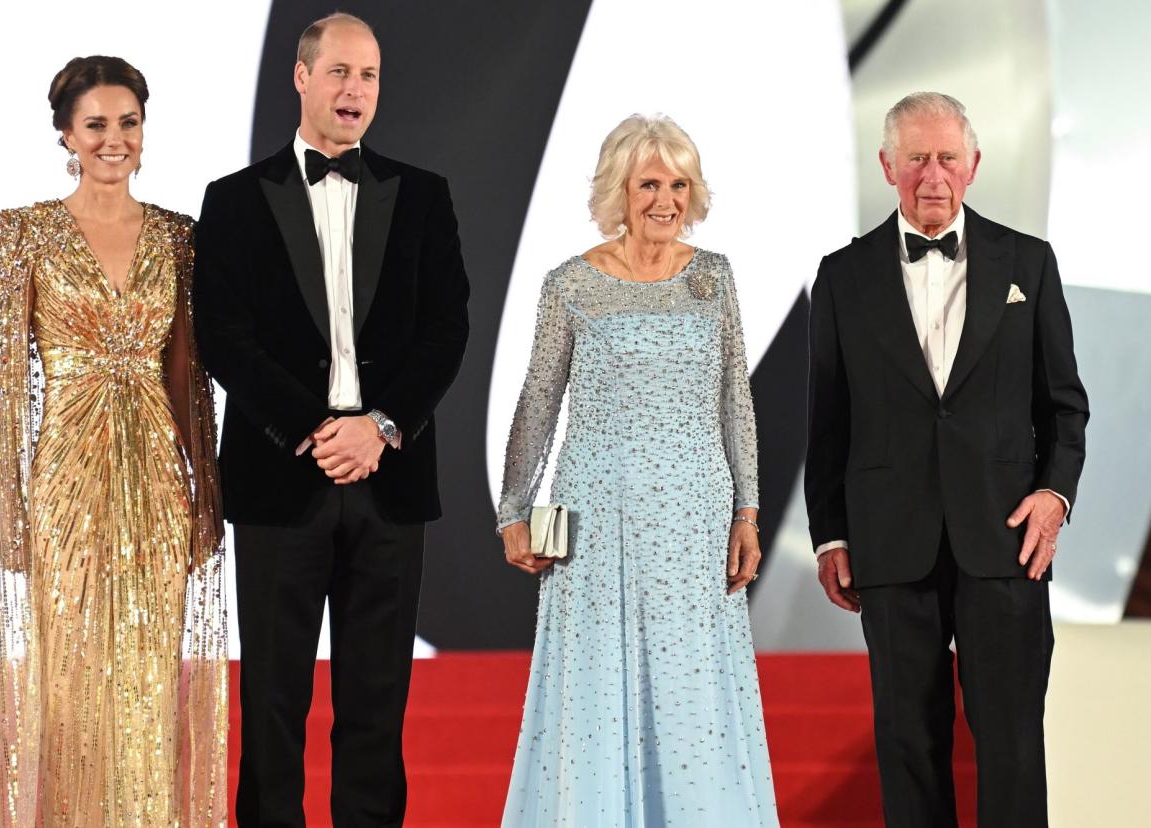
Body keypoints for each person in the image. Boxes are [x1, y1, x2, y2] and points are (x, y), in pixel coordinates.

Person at [192, 12, 469, 828]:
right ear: (302, 77)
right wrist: (319, 431)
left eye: (371, 76)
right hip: (285, 476)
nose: (357, 90)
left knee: (377, 704)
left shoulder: (424, 195)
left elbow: (445, 329)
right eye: (341, 72)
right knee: (273, 701)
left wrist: (378, 427)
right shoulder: (234, 202)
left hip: (389, 477)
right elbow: (224, 339)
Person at [805, 92, 1088, 827]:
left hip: (1006, 541)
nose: (933, 175)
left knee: (1014, 744)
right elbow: (828, 419)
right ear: (887, 165)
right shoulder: (841, 275)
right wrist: (831, 533)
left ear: (974, 165)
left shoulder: (1029, 260)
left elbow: (1064, 404)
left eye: (947, 158)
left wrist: (1055, 498)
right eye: (917, 159)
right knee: (908, 744)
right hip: (890, 541)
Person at [0, 56, 228, 827]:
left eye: (129, 123)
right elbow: (7, 382)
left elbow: (188, 378)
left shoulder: (180, 237)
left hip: (154, 479)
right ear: (66, 135)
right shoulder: (25, 232)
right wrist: (5, 498)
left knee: (148, 681)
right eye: (97, 126)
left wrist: (204, 493)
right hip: (65, 482)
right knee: (72, 685)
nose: (116, 141)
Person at [497, 114, 778, 827]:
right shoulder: (571, 284)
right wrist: (513, 510)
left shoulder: (713, 278)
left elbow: (733, 398)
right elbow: (538, 400)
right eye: (649, 182)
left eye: (678, 183)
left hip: (696, 518)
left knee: (692, 696)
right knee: (596, 693)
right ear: (618, 188)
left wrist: (747, 512)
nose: (665, 198)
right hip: (595, 521)